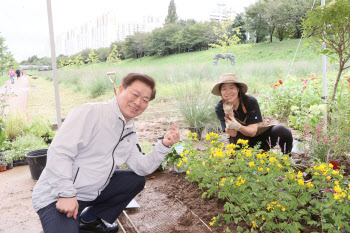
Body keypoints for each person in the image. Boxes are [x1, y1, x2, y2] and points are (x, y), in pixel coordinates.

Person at [32, 73, 180, 233]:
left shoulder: (129, 128)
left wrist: (164, 145)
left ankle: (88, 220)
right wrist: (65, 194)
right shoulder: (90, 113)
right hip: (57, 195)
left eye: (145, 100)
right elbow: (60, 152)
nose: (138, 102)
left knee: (135, 180)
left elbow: (142, 167)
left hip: (91, 191)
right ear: (121, 89)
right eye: (135, 94)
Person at [212, 73, 293, 154]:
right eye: (224, 89)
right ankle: (244, 156)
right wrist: (229, 116)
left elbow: (253, 132)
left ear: (238, 89)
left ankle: (287, 158)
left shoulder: (249, 101)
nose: (228, 92)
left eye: (231, 87)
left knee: (281, 130)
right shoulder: (220, 108)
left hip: (258, 137)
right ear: (221, 92)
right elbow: (233, 134)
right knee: (244, 158)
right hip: (240, 142)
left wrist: (238, 126)